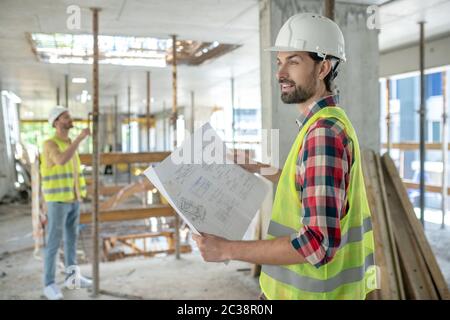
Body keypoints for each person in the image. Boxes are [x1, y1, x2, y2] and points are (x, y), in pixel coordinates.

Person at [193, 13, 376, 300]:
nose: (280, 74)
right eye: (279, 62)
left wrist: (227, 249)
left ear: (323, 68)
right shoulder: (325, 123)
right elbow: (304, 185)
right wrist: (256, 167)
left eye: (293, 61)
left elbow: (317, 244)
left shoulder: (323, 134)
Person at [40, 106, 92, 300]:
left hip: (73, 200)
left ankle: (72, 277)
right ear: (56, 122)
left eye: (69, 116)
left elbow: (74, 173)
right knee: (53, 243)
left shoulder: (70, 142)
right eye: (65, 117)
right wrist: (79, 140)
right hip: (57, 202)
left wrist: (80, 194)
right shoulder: (50, 144)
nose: (70, 119)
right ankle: (48, 284)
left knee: (71, 240)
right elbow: (61, 161)